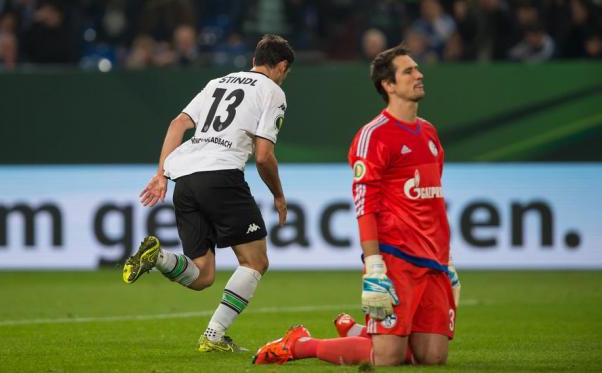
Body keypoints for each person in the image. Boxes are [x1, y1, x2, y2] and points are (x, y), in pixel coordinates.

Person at [253, 43, 456, 366]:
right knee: (387, 357)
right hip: (397, 258)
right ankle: (300, 344)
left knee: (431, 358)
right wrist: (374, 266)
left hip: (433, 261)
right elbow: (365, 205)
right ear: (388, 85)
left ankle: (356, 331)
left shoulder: (429, 134)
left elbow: (433, 202)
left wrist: (448, 262)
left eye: (417, 69)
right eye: (409, 71)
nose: (419, 75)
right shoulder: (374, 135)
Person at [122, 34, 295, 353]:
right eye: (286, 71)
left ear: (254, 59)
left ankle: (158, 257)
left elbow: (178, 123)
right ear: (281, 66)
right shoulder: (273, 91)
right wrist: (279, 196)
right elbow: (263, 156)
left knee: (202, 275)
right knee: (255, 261)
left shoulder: (218, 82)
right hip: (221, 176)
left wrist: (160, 174)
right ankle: (214, 336)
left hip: (184, 179)